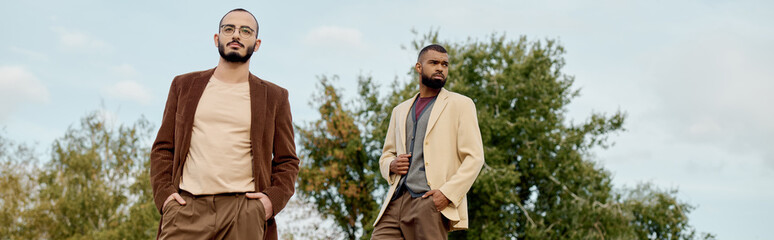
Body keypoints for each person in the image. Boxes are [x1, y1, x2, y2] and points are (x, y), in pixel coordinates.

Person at [150, 8, 299, 240]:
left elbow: (287, 160)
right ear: (217, 39)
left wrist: (270, 201)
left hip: (245, 211)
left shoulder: (275, 96)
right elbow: (162, 148)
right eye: (229, 29)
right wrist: (165, 196)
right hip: (186, 209)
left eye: (245, 31)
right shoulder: (184, 86)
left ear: (257, 44)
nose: (236, 35)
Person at [371, 44, 485, 239]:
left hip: (429, 201)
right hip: (395, 201)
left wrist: (447, 194)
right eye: (434, 63)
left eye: (445, 64)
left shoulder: (461, 104)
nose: (440, 68)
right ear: (418, 67)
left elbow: (474, 158)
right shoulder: (399, 110)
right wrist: (391, 164)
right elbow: (386, 154)